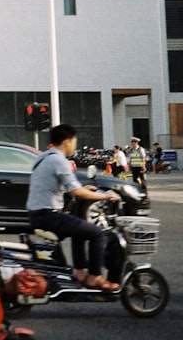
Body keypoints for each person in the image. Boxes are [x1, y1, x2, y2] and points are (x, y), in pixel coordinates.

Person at [27, 123, 121, 292]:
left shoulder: (44, 157)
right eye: (74, 141)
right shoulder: (59, 161)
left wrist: (83, 189)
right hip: (48, 216)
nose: (75, 145)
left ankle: (79, 272)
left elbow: (63, 187)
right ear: (66, 142)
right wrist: (105, 196)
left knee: (78, 227)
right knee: (96, 233)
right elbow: (76, 191)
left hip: (36, 214)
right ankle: (95, 277)